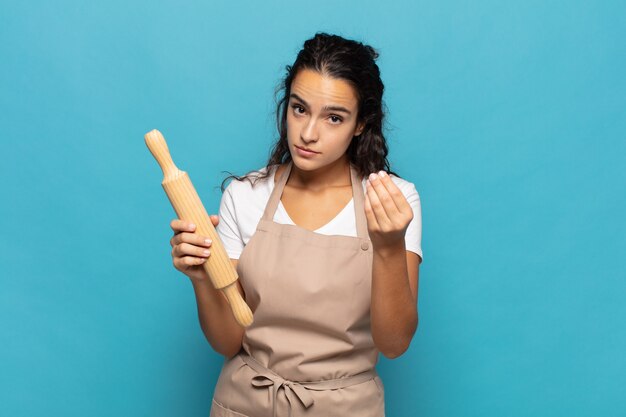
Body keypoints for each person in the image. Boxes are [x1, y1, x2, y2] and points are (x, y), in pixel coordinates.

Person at [169, 32, 423, 417]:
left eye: (333, 117)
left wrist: (387, 247)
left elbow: (394, 343)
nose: (307, 133)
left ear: (360, 124)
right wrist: (202, 277)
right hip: (245, 402)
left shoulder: (392, 201)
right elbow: (227, 340)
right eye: (299, 109)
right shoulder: (244, 195)